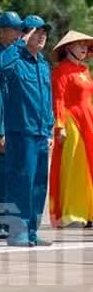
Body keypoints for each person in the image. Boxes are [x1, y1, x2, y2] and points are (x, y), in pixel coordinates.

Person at [0, 15, 54, 247]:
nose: (41, 35)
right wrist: (20, 43)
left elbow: (47, 99)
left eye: (44, 32)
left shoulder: (42, 64)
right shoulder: (14, 60)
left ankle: (32, 229)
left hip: (41, 132)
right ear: (24, 34)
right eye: (35, 31)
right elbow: (3, 66)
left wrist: (49, 130)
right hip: (21, 132)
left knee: (39, 184)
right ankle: (16, 232)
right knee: (21, 181)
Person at [0, 10, 26, 239]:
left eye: (20, 29)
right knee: (2, 176)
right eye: (14, 29)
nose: (19, 33)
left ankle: (11, 220)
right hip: (5, 127)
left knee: (16, 175)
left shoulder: (19, 59)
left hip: (20, 125)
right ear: (1, 31)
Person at [48, 30, 93, 227]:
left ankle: (89, 212)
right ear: (68, 48)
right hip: (71, 120)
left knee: (89, 166)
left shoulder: (84, 70)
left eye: (85, 45)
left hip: (88, 120)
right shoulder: (60, 70)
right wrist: (60, 125)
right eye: (79, 44)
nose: (84, 48)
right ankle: (73, 213)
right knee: (74, 165)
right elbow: (58, 99)